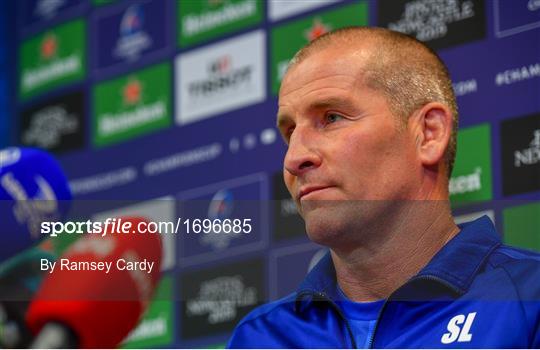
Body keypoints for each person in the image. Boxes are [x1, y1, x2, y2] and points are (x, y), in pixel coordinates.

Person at [227, 27, 540, 348]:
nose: (294, 158)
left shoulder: (529, 301)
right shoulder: (260, 336)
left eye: (331, 118)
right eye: (290, 131)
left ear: (428, 134)